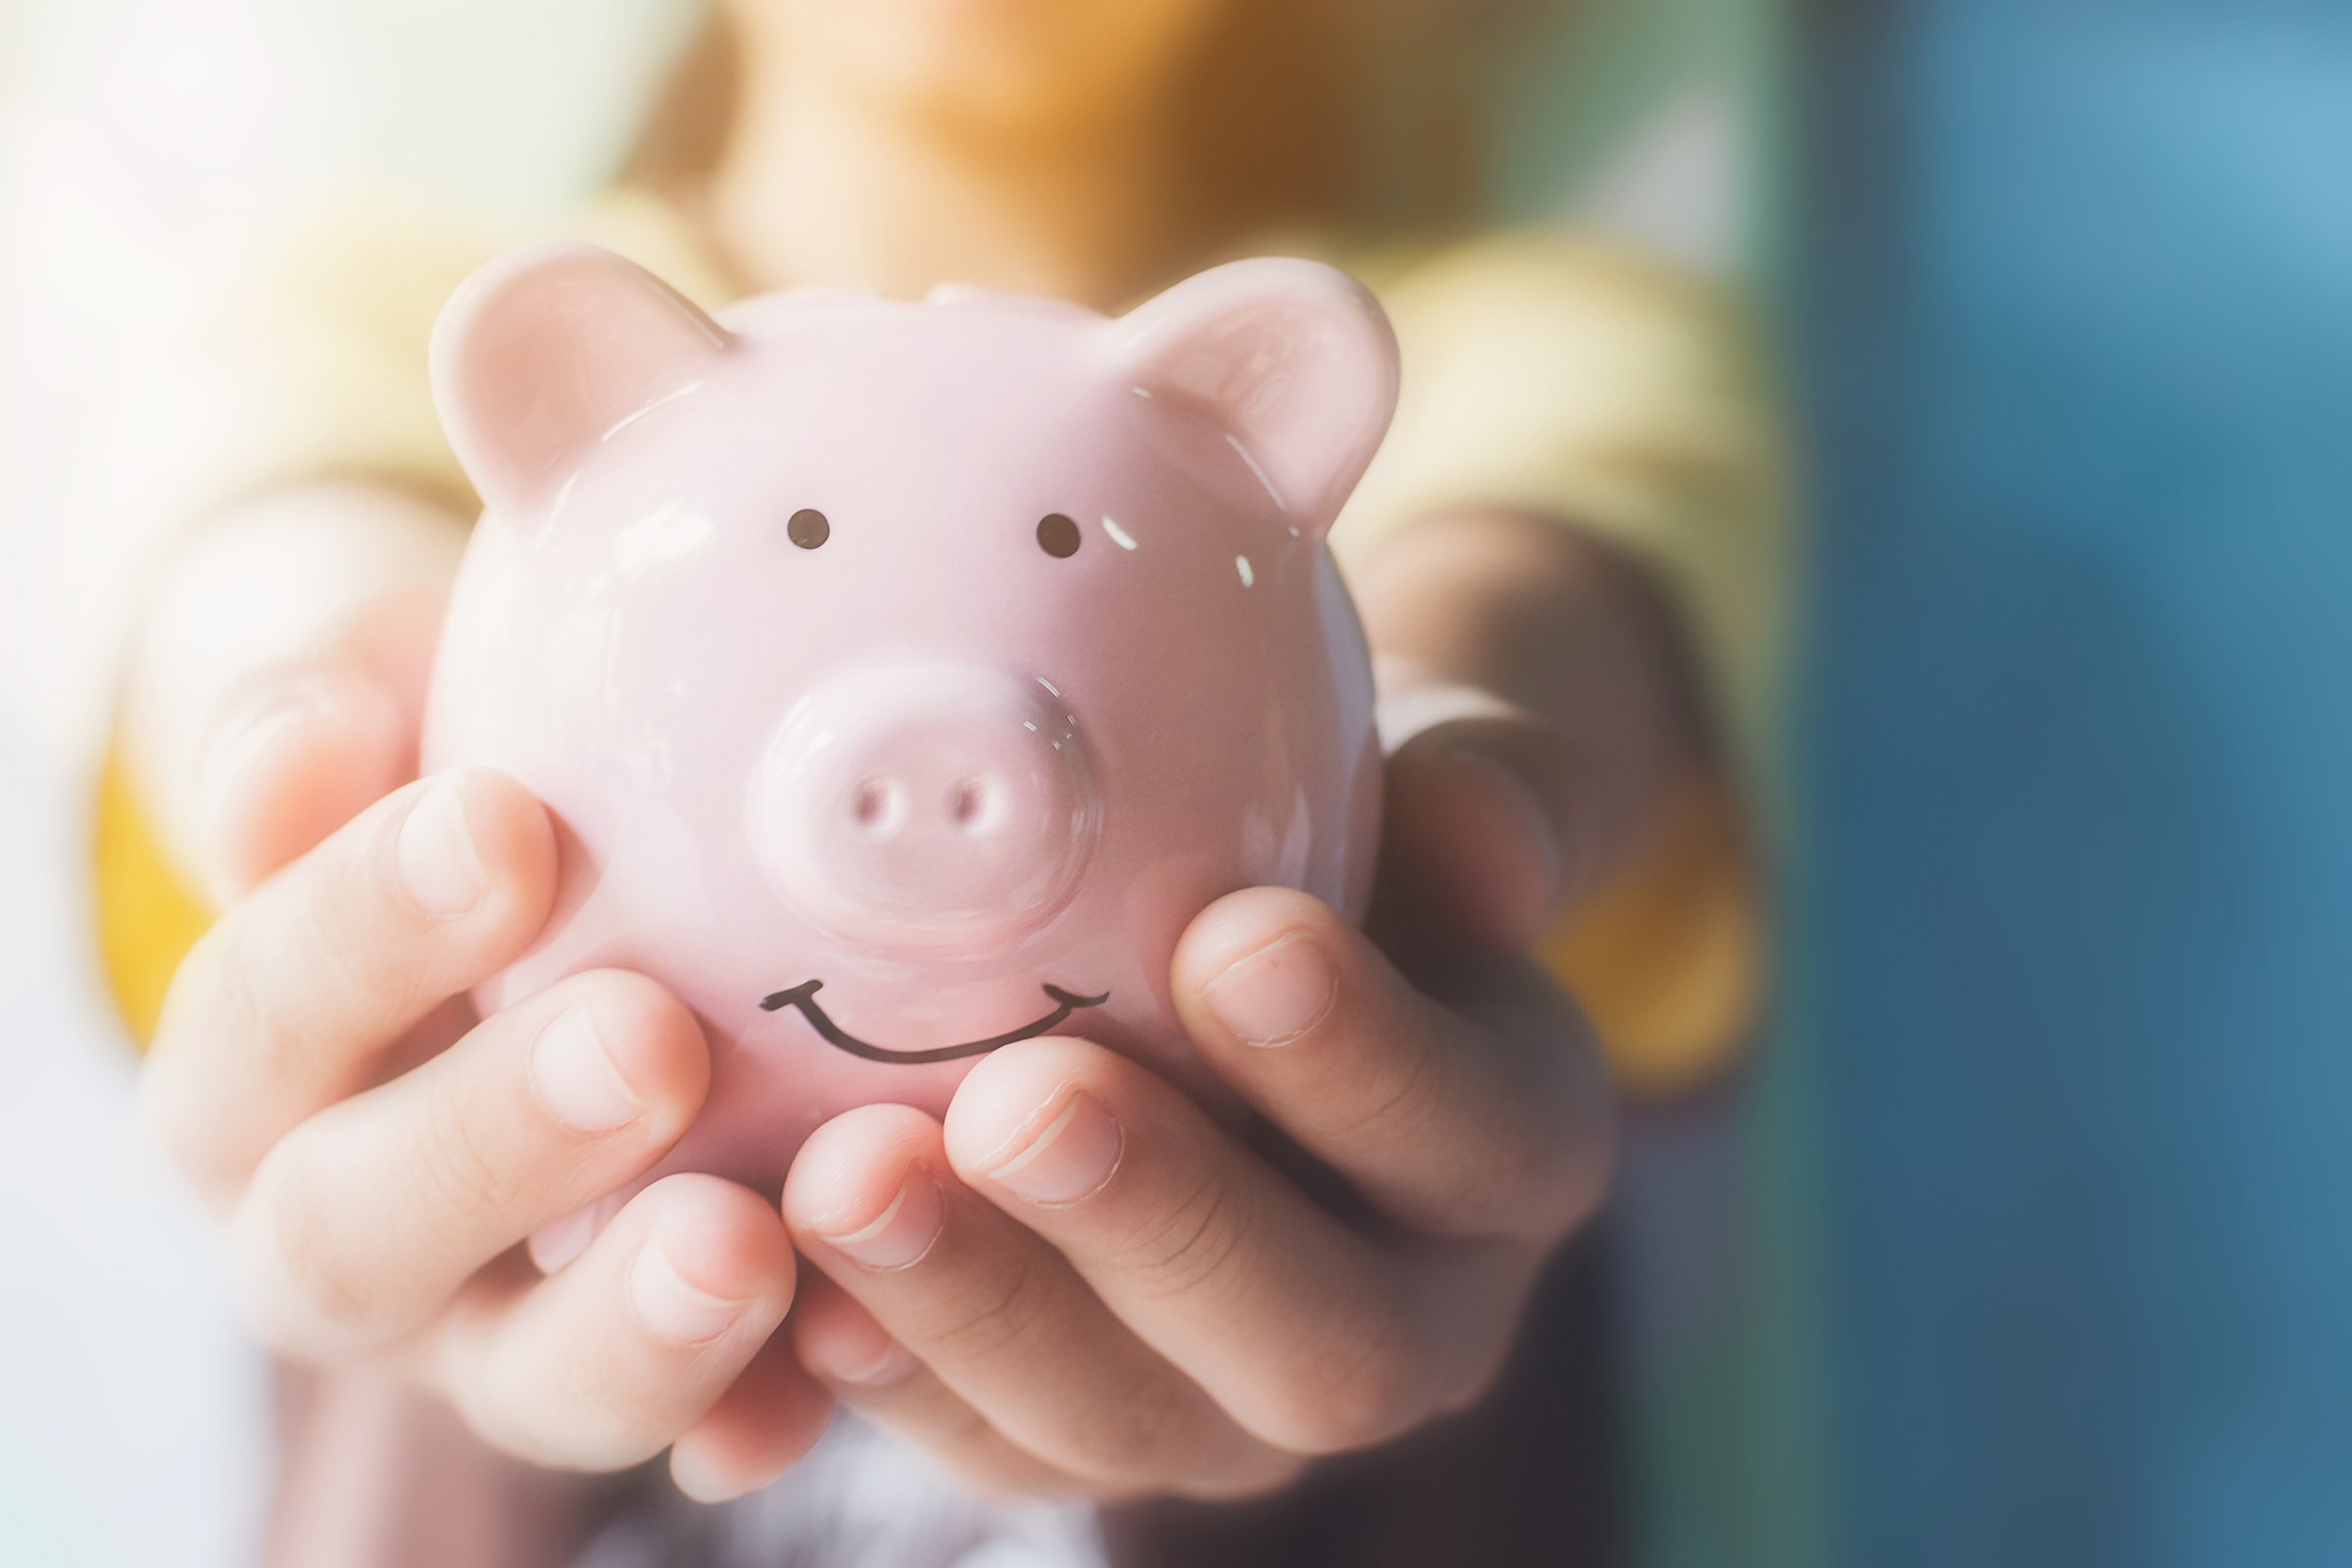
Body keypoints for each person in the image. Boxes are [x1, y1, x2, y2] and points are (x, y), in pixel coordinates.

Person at [102, 1, 1786, 1562]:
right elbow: (287, 541)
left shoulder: (1528, 342)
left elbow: (1519, 592)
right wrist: (316, 714)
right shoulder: (377, 310)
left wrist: (1408, 748)